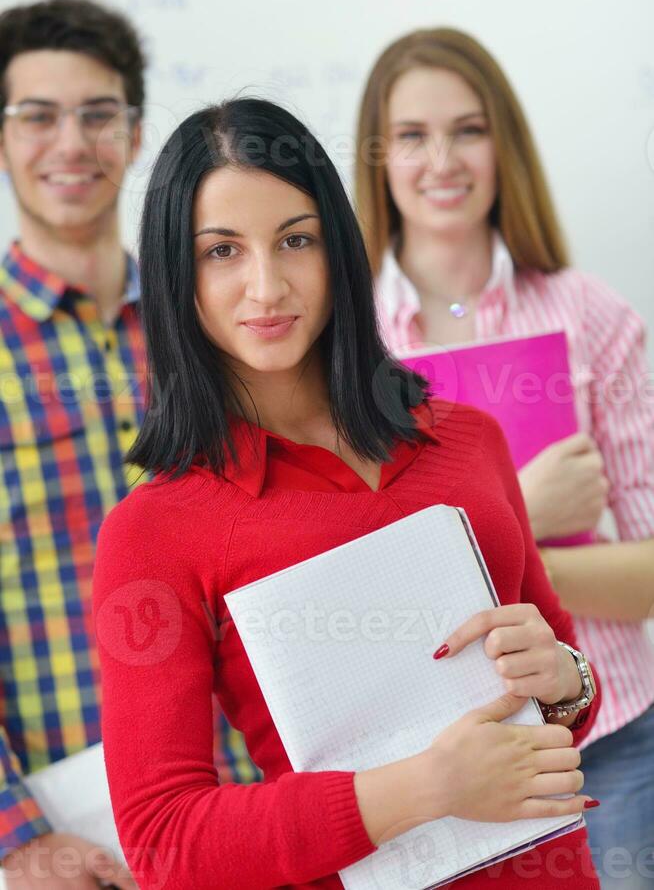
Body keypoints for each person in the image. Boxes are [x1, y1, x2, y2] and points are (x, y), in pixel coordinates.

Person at [93, 97, 602, 890]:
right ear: (174, 276)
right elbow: (163, 843)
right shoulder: (152, 532)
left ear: (338, 249)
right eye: (222, 251)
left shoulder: (469, 440)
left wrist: (570, 682)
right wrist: (425, 788)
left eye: (295, 240)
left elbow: (564, 711)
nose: (267, 286)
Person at [355, 26, 654, 888]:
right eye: (412, 135)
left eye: (469, 129)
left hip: (612, 743)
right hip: (438, 762)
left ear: (504, 146)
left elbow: (647, 576)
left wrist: (480, 554)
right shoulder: (347, 346)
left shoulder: (590, 315)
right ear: (379, 158)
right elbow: (378, 601)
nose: (441, 159)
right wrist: (524, 510)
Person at [0, 0, 257, 890]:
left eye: (98, 114)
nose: (71, 143)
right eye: (37, 115)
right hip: (75, 831)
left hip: (256, 795)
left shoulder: (224, 322)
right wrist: (15, 835)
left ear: (137, 132)